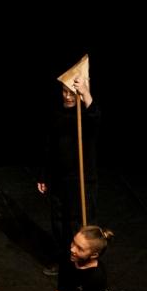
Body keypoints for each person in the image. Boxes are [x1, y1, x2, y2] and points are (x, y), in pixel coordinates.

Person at [37, 74, 100, 276]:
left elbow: (96, 117)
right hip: (59, 179)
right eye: (64, 92)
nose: (67, 97)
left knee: (77, 222)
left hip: (80, 180)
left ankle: (81, 261)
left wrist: (86, 93)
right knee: (58, 222)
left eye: (72, 93)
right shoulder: (57, 114)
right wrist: (44, 175)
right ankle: (63, 260)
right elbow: (49, 147)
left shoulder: (85, 115)